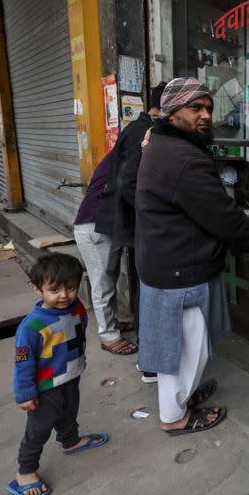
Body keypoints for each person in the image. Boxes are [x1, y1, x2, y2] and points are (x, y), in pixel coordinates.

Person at [135, 77, 249, 436]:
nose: (205, 115)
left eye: (208, 108)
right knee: (185, 352)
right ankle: (174, 417)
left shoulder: (161, 144)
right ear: (173, 112)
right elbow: (221, 214)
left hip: (165, 260)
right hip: (179, 269)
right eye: (195, 108)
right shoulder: (182, 157)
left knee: (187, 348)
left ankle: (182, 398)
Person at [8, 253, 108, 495]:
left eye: (71, 287)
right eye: (54, 289)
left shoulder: (78, 308)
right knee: (39, 428)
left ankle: (70, 441)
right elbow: (22, 362)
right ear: (37, 289)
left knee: (69, 411)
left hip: (71, 376)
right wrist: (25, 393)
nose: (64, 295)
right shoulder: (31, 327)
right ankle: (25, 471)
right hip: (45, 386)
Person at [95, 81, 168, 383]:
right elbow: (129, 185)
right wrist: (157, 215)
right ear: (164, 107)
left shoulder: (143, 128)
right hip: (139, 226)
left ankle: (149, 355)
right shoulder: (142, 132)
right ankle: (149, 360)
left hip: (138, 225)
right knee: (145, 293)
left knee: (144, 291)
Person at [73, 149, 137, 356]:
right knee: (103, 282)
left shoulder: (120, 156)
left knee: (110, 278)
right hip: (94, 227)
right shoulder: (129, 157)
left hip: (101, 225)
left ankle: (113, 324)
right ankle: (108, 335)